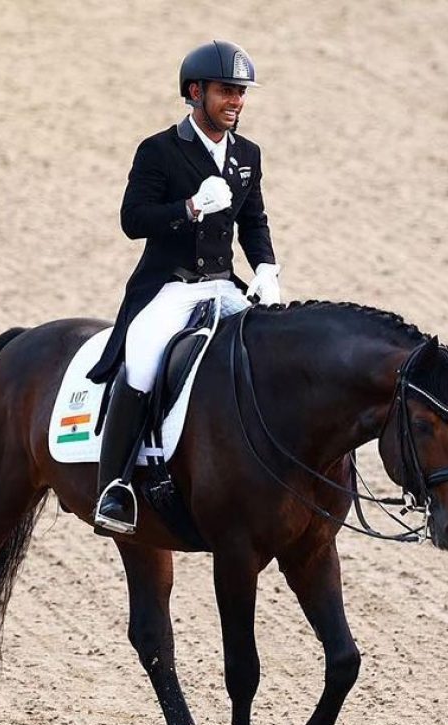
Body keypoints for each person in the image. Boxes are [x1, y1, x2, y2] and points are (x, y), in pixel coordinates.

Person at [87, 39, 280, 534]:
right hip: (169, 287)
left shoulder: (247, 155)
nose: (236, 101)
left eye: (241, 92)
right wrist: (189, 208)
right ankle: (115, 487)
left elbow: (253, 221)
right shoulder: (159, 151)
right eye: (226, 91)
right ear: (195, 92)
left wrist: (266, 269)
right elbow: (133, 220)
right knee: (143, 360)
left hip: (223, 286)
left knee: (272, 351)